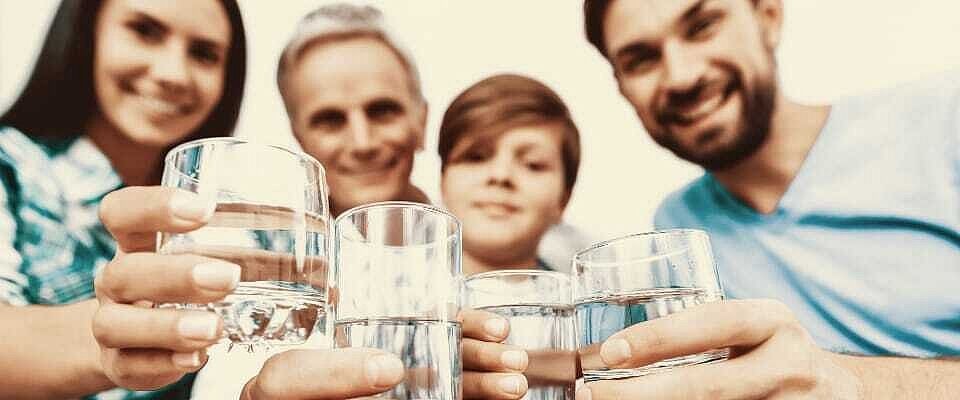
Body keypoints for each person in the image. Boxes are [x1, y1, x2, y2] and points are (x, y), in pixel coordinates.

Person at [578, 0, 960, 398]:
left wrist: (851, 383)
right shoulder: (678, 227)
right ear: (622, 88)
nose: (681, 76)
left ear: (769, 18)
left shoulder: (947, 120)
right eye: (641, 59)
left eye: (703, 26)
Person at [0, 0, 246, 398]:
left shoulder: (229, 223)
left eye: (203, 54)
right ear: (85, 34)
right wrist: (108, 340)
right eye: (144, 31)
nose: (174, 73)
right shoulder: (9, 166)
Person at [276, 3, 429, 218]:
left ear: (422, 122)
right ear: (299, 138)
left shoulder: (478, 243)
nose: (362, 143)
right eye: (330, 120)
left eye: (382, 111)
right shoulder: (257, 248)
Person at [437, 73, 582, 275]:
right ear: (442, 182)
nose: (500, 175)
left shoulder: (602, 304)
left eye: (532, 164)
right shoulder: (385, 298)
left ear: (564, 199)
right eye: (476, 157)